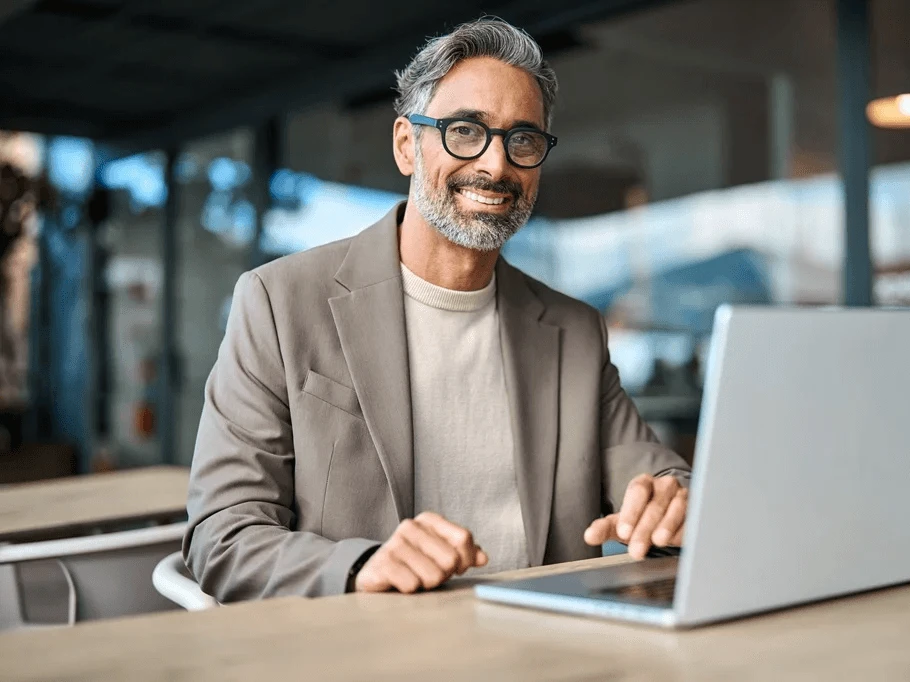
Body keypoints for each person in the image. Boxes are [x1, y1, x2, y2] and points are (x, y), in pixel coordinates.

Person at [184, 18, 690, 601]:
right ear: (406, 145)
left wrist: (672, 498)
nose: (496, 166)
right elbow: (222, 536)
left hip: (542, 648)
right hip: (367, 648)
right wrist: (361, 566)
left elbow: (657, 473)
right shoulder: (279, 302)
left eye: (522, 140)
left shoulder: (571, 329)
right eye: (465, 131)